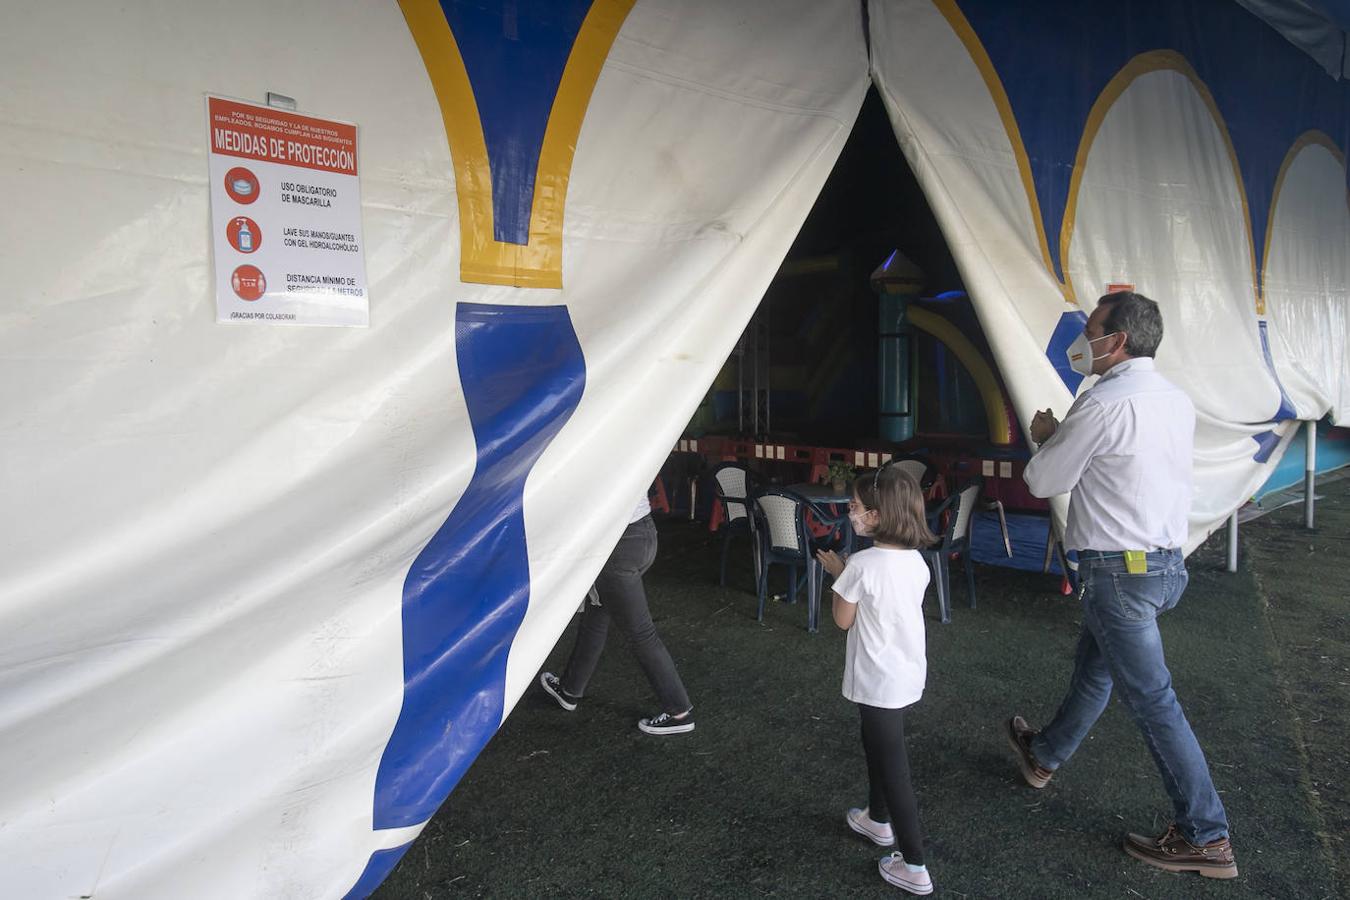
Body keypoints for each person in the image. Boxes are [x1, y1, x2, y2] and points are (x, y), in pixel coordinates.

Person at [1007, 291, 1237, 879]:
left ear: (1119, 342)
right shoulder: (1173, 399)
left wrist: (1049, 435)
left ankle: (1205, 836)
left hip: (1119, 575)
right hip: (1164, 567)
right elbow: (1126, 466)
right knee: (1096, 667)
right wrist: (1069, 435)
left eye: (1091, 332)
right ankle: (1044, 754)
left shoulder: (1103, 402)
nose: (1083, 343)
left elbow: (1042, 478)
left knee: (1154, 703)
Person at [817, 466, 938, 896]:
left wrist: (838, 577)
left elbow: (842, 621)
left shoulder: (861, 565)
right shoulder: (917, 562)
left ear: (875, 517)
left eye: (853, 506)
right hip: (904, 673)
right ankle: (877, 819)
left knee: (893, 765)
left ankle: (916, 865)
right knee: (876, 745)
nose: (848, 511)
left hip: (877, 678)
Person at [539, 493, 694, 735]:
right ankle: (570, 690)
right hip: (644, 533)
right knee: (596, 614)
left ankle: (679, 712)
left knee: (641, 634)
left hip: (615, 546)